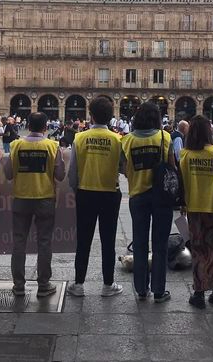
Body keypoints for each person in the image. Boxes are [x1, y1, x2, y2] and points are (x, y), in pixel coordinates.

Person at [2, 112, 65, 297]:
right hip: (45, 198)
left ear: (28, 125)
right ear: (46, 127)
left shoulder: (16, 145)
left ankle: (19, 285)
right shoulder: (53, 146)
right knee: (44, 242)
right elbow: (60, 176)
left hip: (21, 198)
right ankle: (44, 284)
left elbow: (8, 174)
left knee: (19, 241)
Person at [67, 97, 124, 297]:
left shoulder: (79, 138)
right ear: (111, 117)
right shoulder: (118, 139)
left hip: (86, 193)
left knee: (83, 240)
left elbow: (72, 172)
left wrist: (76, 190)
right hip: (110, 193)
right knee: (108, 240)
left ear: (90, 115)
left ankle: (79, 284)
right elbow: (124, 168)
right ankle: (108, 285)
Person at [121, 101, 175, 303]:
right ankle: (159, 290)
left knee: (140, 243)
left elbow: (124, 169)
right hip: (161, 197)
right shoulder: (165, 137)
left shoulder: (126, 141)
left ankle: (141, 289)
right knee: (160, 244)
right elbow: (172, 167)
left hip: (138, 196)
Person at [180, 115, 213, 309]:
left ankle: (199, 294)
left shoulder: (186, 155)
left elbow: (182, 183)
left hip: (195, 211)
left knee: (199, 251)